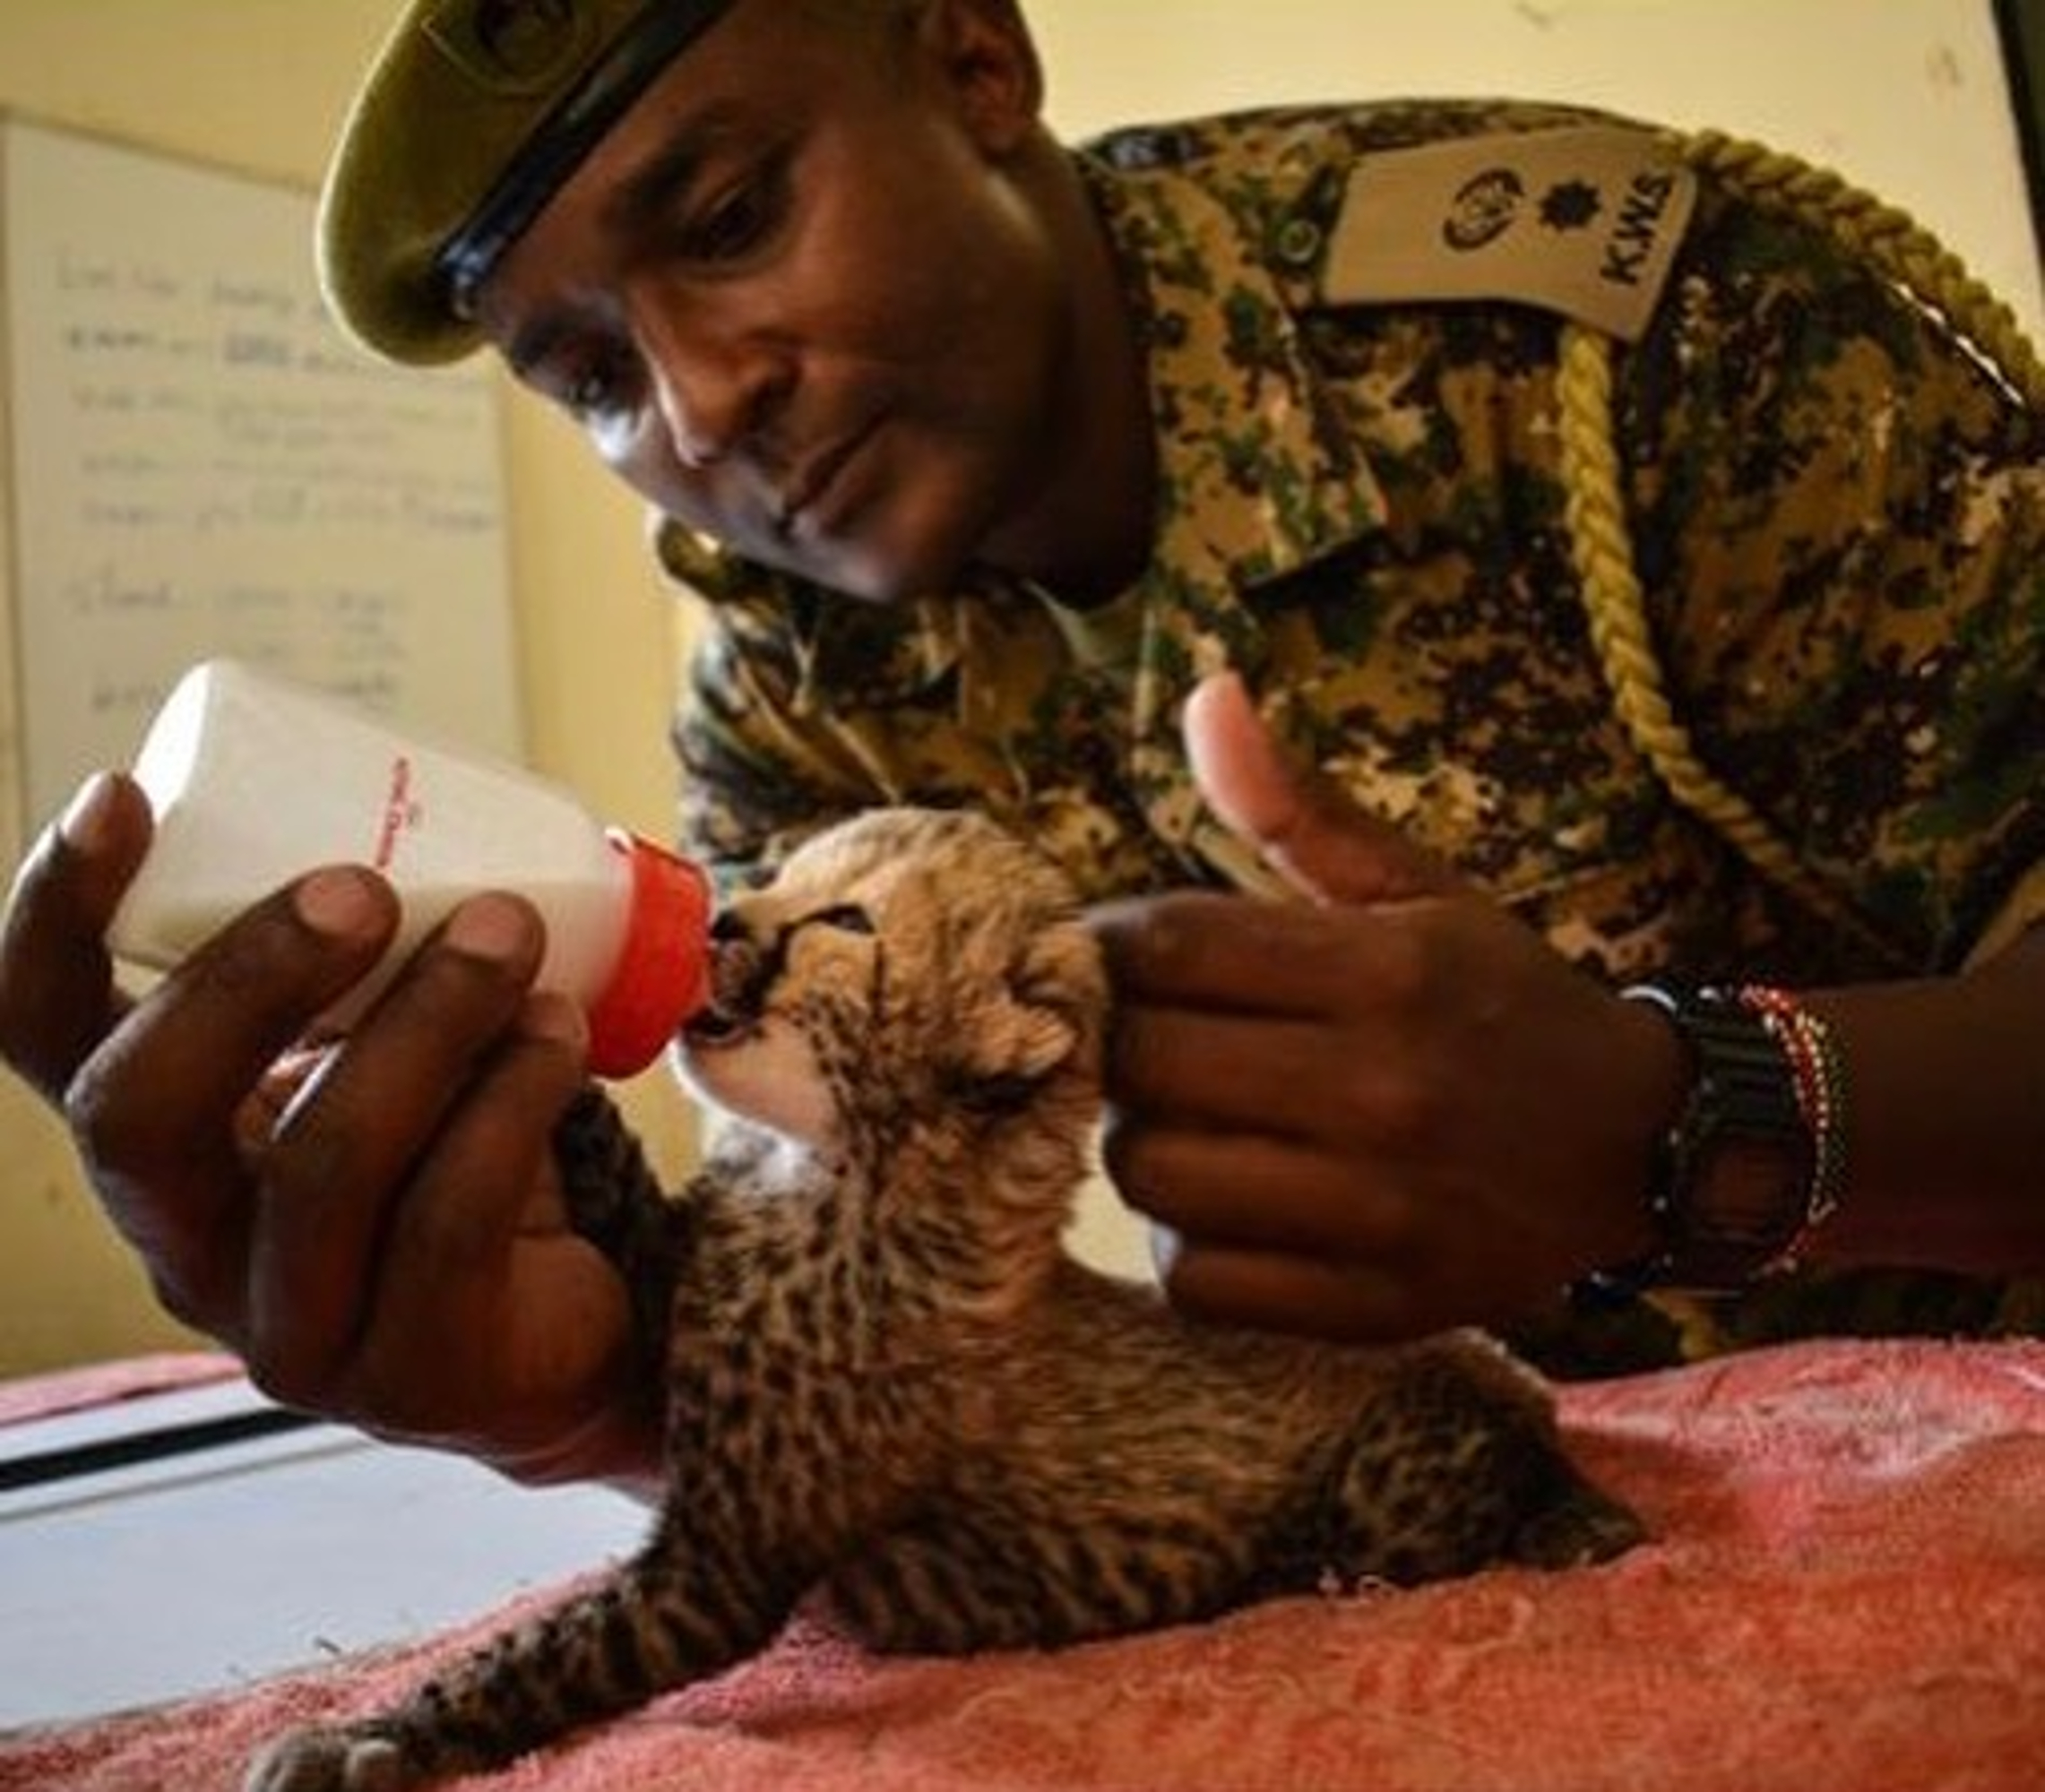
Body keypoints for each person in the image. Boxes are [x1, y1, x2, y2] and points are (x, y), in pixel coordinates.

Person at [4, 0, 2043, 1490]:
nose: (700, 413)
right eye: (590, 374)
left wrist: (1676, 1118)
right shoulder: (795, 686)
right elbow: (864, 1305)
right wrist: (595, 1406)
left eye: (724, 220)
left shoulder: (1614, 351)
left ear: (973, 60)